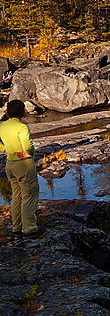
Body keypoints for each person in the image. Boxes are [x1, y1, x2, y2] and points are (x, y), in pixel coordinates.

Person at [0, 100, 41, 238]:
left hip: (10, 165)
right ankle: (29, 229)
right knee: (29, 196)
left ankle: (16, 227)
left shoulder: (2, 126)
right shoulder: (22, 127)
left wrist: (4, 150)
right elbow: (28, 147)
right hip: (24, 165)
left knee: (17, 196)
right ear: (21, 111)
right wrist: (29, 153)